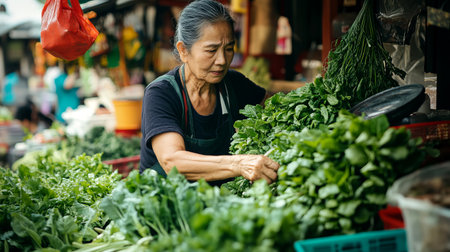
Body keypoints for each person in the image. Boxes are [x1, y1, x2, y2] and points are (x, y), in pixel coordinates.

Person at [140, 0, 279, 186]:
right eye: (211, 50)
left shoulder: (233, 84)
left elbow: (278, 109)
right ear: (183, 51)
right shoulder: (161, 93)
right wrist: (240, 164)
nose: (222, 60)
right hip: (165, 204)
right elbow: (172, 162)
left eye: (229, 49)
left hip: (217, 203)